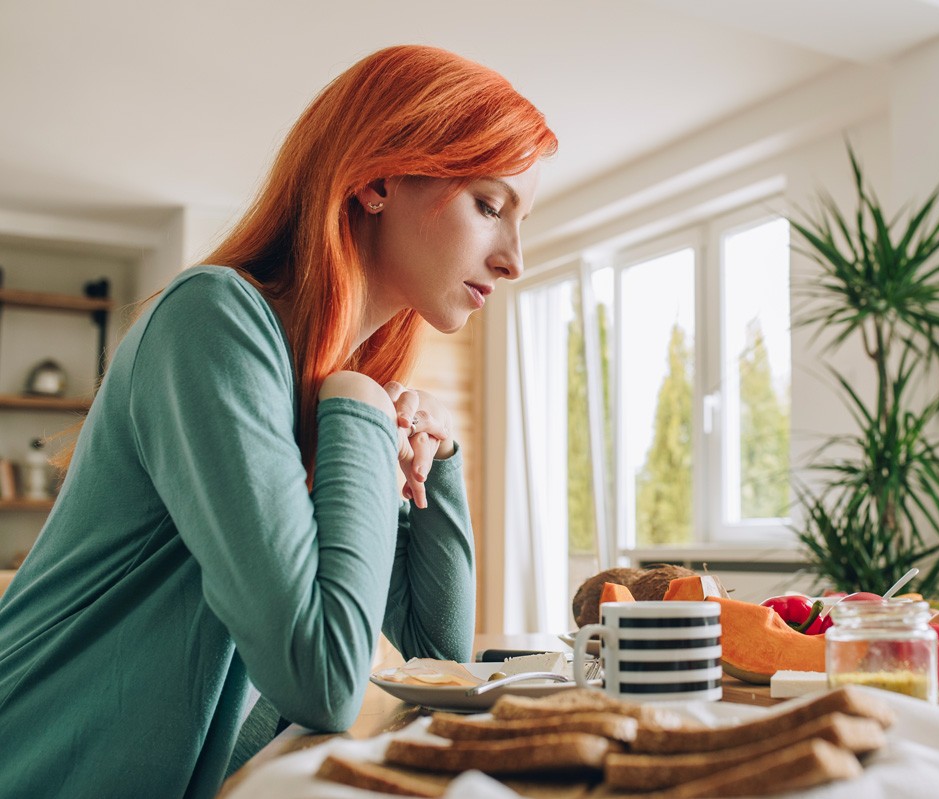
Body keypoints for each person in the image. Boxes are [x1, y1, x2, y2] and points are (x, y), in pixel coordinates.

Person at [0, 45, 556, 798]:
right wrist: (361, 407)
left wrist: (440, 457)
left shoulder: (322, 390)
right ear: (379, 179)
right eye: (489, 206)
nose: (514, 259)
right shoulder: (214, 320)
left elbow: (436, 658)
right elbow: (321, 679)